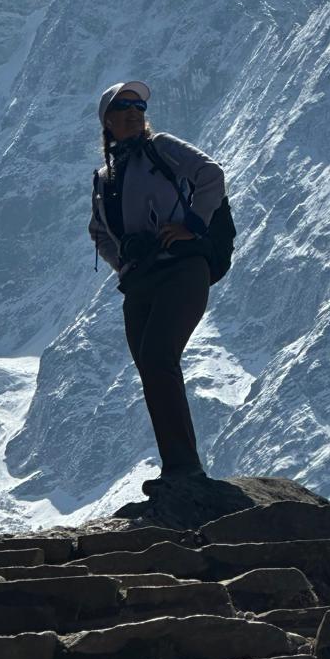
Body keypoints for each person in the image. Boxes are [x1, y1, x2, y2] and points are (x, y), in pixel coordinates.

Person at [89, 80, 226, 491]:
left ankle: (186, 469)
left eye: (139, 106)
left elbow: (211, 175)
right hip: (140, 282)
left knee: (158, 355)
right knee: (151, 368)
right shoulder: (103, 178)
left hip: (183, 268)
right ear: (107, 121)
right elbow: (98, 231)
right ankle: (178, 467)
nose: (134, 111)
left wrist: (191, 226)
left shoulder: (161, 147)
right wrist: (123, 262)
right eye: (123, 106)